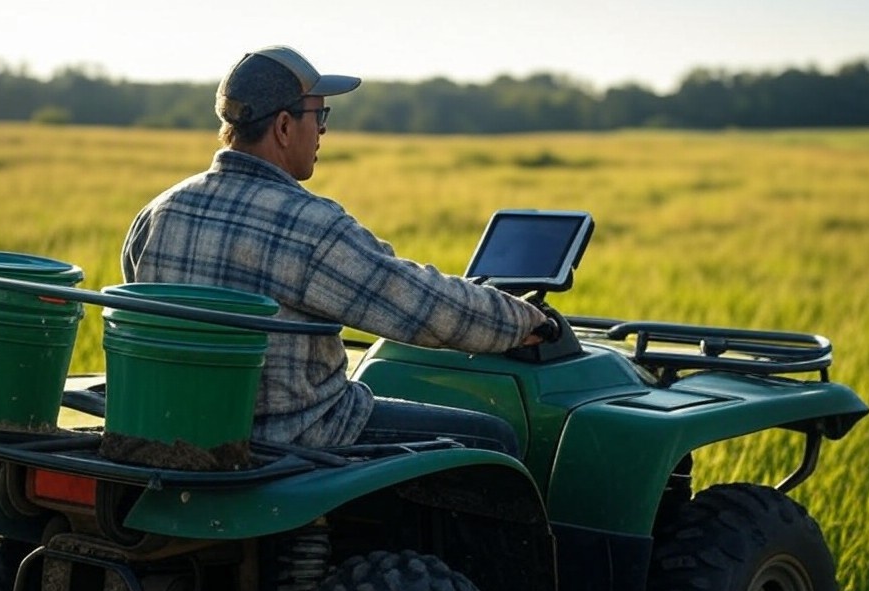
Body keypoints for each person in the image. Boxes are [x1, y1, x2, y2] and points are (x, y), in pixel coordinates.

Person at [121, 45, 552, 454]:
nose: (323, 128)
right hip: (295, 437)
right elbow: (419, 305)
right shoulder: (309, 226)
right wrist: (525, 321)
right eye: (319, 113)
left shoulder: (158, 211)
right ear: (285, 127)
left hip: (174, 429)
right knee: (493, 437)